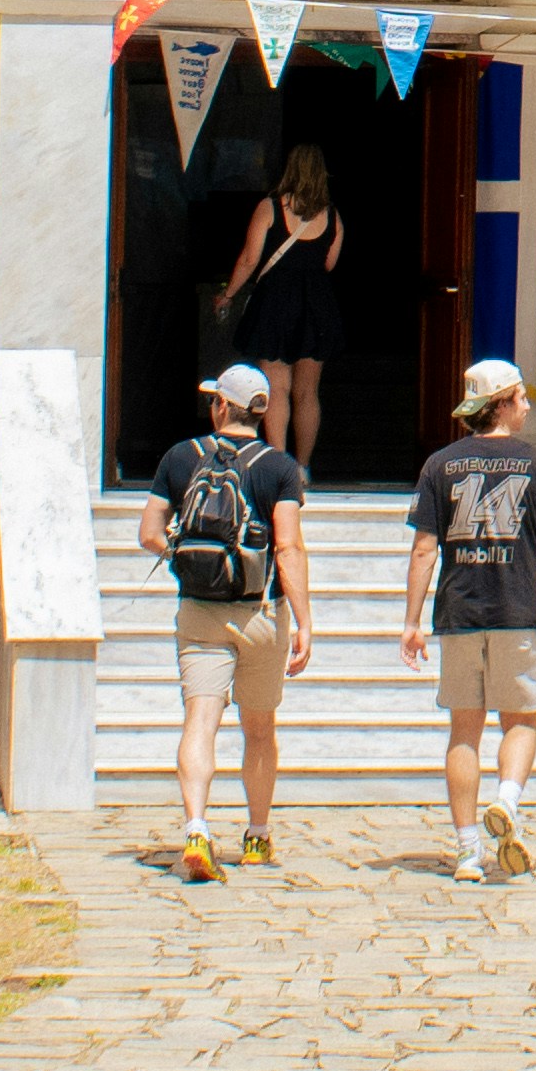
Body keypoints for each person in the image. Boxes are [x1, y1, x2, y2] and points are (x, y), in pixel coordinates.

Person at [401, 357, 536, 882]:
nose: (528, 405)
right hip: (519, 610)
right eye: (522, 397)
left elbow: (422, 550)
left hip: (459, 611)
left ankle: (465, 852)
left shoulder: (440, 465)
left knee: (464, 730)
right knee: (522, 719)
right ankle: (506, 799)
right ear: (502, 403)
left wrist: (411, 621)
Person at [136, 362, 309, 882]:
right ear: (261, 411)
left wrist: (183, 553)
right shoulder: (280, 467)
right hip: (260, 610)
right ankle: (256, 836)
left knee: (200, 722)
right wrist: (303, 621)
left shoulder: (179, 457)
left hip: (199, 611)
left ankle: (196, 828)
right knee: (259, 729)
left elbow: (148, 531)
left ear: (219, 407)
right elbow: (288, 546)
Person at [220, 141, 344, 473]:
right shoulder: (332, 215)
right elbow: (330, 263)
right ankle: (303, 467)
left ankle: (279, 466)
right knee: (307, 393)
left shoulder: (270, 208)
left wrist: (229, 294)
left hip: (276, 302)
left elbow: (250, 259)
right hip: (316, 305)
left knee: (276, 388)